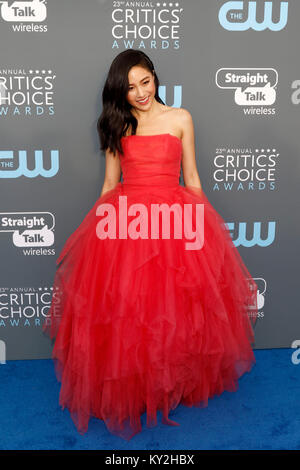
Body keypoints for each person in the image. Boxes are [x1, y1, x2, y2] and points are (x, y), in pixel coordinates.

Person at [43, 49, 258, 441]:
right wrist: (96, 232)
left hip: (176, 222)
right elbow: (110, 185)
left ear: (156, 78)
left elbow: (191, 176)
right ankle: (136, 384)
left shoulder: (180, 118)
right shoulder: (116, 125)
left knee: (174, 308)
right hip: (127, 224)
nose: (140, 92)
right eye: (130, 87)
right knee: (131, 310)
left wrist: (204, 228)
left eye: (146, 81)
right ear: (119, 92)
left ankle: (173, 382)